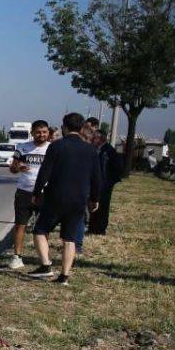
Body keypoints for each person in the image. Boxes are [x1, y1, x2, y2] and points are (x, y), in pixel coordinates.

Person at [28, 113, 103, 286]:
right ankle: (64, 276)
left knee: (40, 230)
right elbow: (96, 177)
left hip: (55, 197)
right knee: (69, 239)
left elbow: (44, 172)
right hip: (78, 200)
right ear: (82, 127)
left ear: (64, 127)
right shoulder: (91, 150)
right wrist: (95, 198)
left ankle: (46, 266)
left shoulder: (56, 146)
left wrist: (37, 192)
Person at [7, 120, 51, 269]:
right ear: (32, 133)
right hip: (24, 191)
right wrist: (17, 167)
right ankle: (17, 257)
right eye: (38, 132)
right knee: (20, 224)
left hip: (44, 192)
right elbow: (12, 169)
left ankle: (43, 257)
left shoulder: (52, 149)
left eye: (44, 132)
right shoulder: (23, 147)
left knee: (44, 227)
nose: (42, 135)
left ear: (48, 133)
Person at [88, 127, 123, 235]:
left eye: (94, 138)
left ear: (100, 139)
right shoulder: (96, 150)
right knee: (93, 205)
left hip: (105, 185)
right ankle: (92, 227)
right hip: (96, 183)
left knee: (103, 207)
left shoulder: (108, 151)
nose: (91, 140)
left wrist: (108, 183)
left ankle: (100, 229)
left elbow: (116, 169)